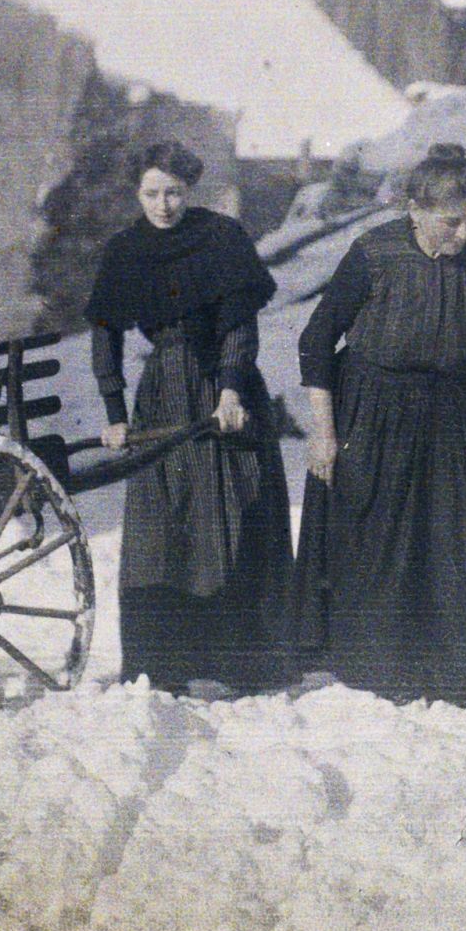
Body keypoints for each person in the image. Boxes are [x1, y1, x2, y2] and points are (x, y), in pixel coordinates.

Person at [291, 143, 466, 706]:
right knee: (379, 542)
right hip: (375, 412)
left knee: (448, 544)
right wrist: (324, 432)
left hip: (451, 418)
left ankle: (447, 677)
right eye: (451, 222)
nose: (464, 233)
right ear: (415, 210)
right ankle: (373, 672)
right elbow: (317, 340)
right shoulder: (375, 252)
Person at [88, 141, 293, 694]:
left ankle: (245, 663)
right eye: (151, 194)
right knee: (165, 525)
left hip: (226, 389)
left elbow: (240, 326)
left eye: (174, 193)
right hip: (163, 393)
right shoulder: (126, 250)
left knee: (236, 510)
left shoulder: (221, 238)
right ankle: (167, 665)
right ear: (137, 193)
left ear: (190, 190)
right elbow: (105, 333)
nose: (163, 205)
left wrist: (230, 391)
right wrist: (115, 413)